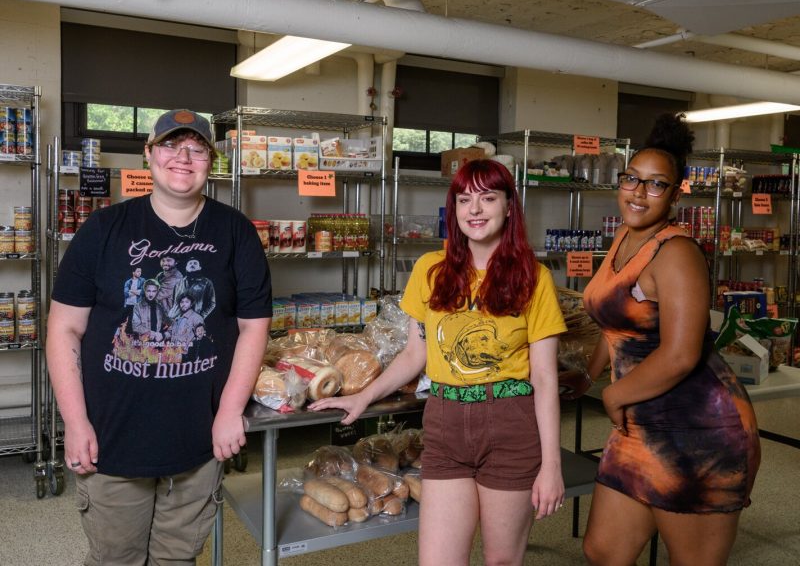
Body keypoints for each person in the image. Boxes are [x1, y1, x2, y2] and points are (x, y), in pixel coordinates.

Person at [310, 159, 567, 565]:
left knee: (502, 560)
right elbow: (416, 354)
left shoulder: (534, 278)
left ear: (508, 207)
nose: (475, 210)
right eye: (465, 200)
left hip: (510, 423)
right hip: (446, 422)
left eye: (488, 198)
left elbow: (545, 378)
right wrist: (364, 396)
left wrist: (551, 465)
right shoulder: (431, 270)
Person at [46, 108, 272, 566]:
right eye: (170, 145)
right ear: (148, 155)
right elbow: (64, 328)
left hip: (198, 439)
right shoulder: (102, 231)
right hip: (112, 439)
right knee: (115, 559)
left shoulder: (237, 234)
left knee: (177, 560)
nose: (182, 158)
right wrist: (75, 422)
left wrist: (230, 412)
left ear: (212, 160)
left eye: (196, 149)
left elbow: (254, 327)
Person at [574, 114, 761, 566]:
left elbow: (681, 354)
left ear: (677, 194)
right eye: (632, 179)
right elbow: (618, 325)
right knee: (604, 551)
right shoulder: (623, 236)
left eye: (656, 185)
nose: (638, 193)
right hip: (638, 423)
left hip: (695, 430)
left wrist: (614, 395)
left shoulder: (676, 253)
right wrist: (586, 373)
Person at [131, 278, 171, 342]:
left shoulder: (159, 307)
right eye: (148, 291)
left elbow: (170, 323)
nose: (151, 294)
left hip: (157, 343)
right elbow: (136, 326)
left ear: (157, 291)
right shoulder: (138, 307)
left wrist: (164, 335)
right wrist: (151, 333)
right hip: (143, 342)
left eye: (154, 291)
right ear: (145, 291)